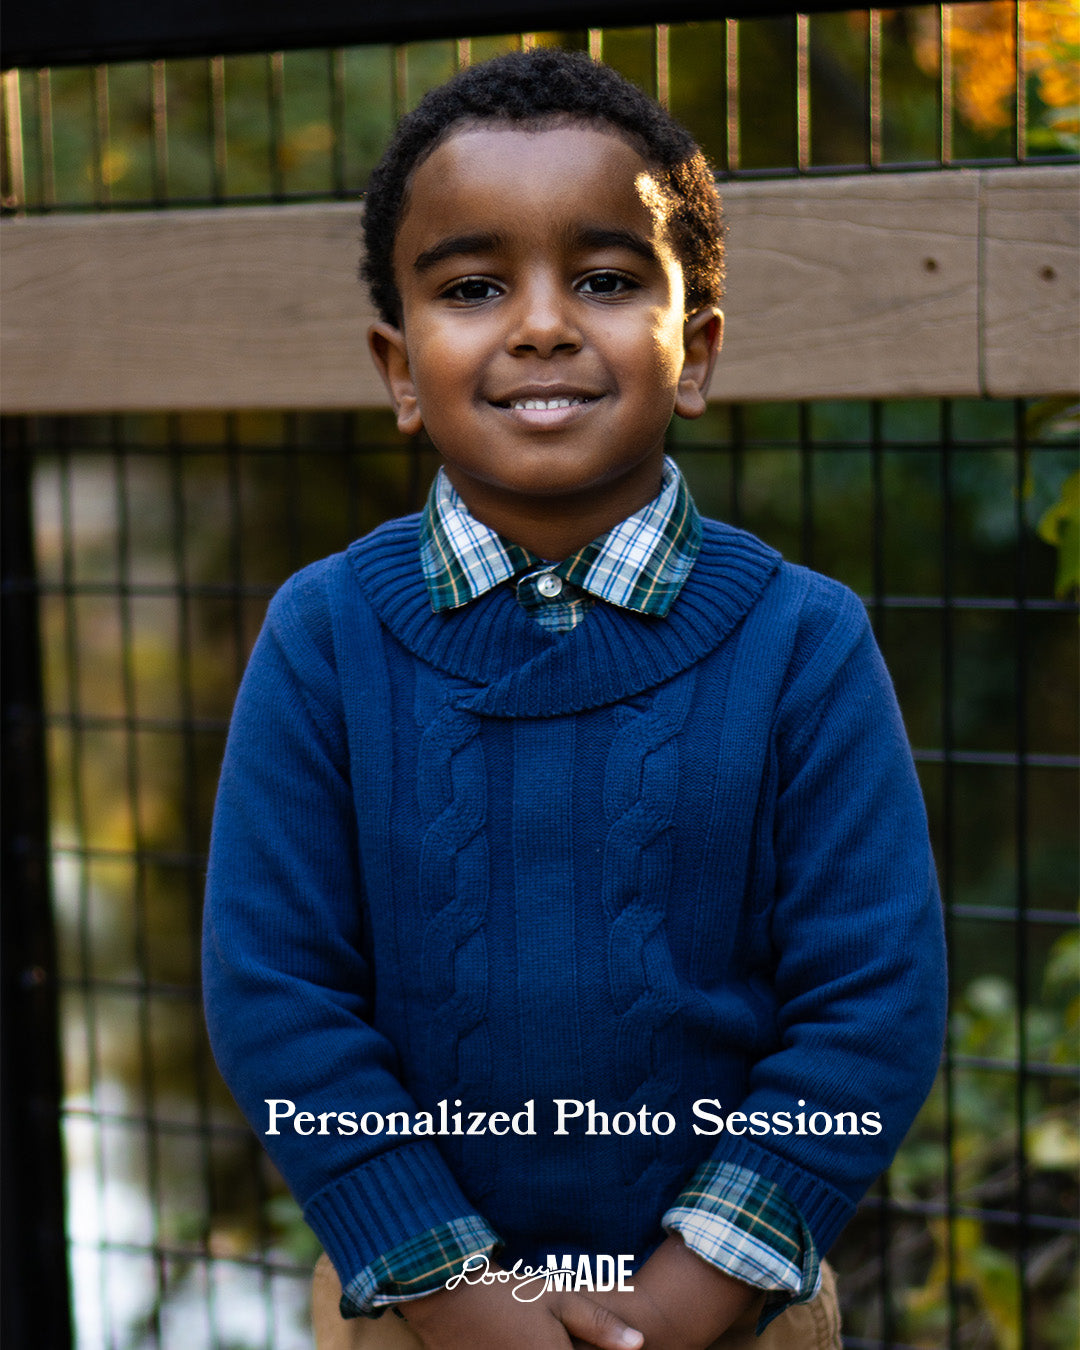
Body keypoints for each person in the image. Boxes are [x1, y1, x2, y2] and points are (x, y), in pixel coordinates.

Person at [202, 47, 947, 1350]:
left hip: (737, 1318)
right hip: (408, 1316)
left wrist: (679, 1300)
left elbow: (872, 1000)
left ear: (697, 348)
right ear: (396, 364)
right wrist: (452, 1292)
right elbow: (277, 994)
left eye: (604, 279)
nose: (542, 323)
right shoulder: (321, 639)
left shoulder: (804, 644)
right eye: (475, 284)